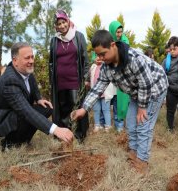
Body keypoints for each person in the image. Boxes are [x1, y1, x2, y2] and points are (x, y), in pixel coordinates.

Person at [71, 30, 168, 173]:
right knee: (130, 123)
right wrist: (84, 108)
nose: (101, 58)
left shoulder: (134, 59)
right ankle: (134, 154)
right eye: (98, 55)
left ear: (112, 45)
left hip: (154, 88)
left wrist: (142, 107)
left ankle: (142, 162)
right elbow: (97, 88)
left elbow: (146, 83)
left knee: (143, 125)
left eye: (103, 54)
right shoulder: (106, 68)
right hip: (137, 92)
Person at [0, 42, 73, 151]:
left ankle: (23, 141)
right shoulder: (10, 80)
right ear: (15, 61)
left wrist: (38, 98)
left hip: (11, 112)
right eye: (27, 58)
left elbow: (32, 83)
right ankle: (8, 145)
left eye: (32, 57)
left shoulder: (24, 70)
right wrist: (56, 130)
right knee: (25, 115)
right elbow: (26, 111)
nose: (31, 61)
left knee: (45, 109)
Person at [49, 10, 89, 143]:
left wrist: (86, 78)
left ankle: (78, 137)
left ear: (68, 21)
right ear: (56, 26)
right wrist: (51, 81)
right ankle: (65, 137)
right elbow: (51, 63)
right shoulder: (54, 41)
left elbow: (85, 60)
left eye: (63, 22)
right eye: (58, 23)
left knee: (76, 109)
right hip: (60, 83)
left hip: (75, 82)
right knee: (63, 111)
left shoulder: (78, 36)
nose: (61, 26)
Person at [108, 21, 130, 132]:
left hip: (122, 77)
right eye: (117, 32)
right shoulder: (107, 41)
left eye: (121, 32)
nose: (119, 34)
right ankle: (112, 125)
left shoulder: (125, 41)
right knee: (110, 102)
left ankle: (122, 127)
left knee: (120, 102)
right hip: (110, 76)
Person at [90, 55, 114, 132]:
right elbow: (89, 76)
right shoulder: (93, 67)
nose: (98, 58)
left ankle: (108, 125)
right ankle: (97, 125)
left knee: (106, 109)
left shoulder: (107, 65)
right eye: (97, 56)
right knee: (96, 110)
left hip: (105, 92)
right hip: (95, 93)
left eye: (100, 56)